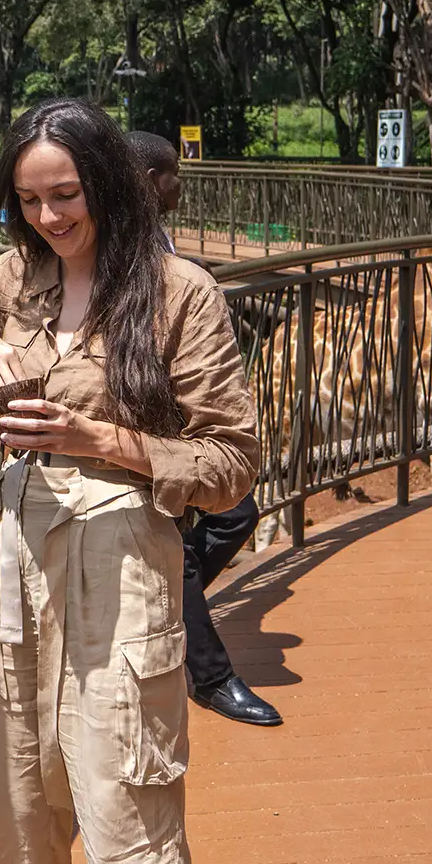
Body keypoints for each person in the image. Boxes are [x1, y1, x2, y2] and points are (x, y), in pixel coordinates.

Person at [0, 99, 258, 864]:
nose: (48, 216)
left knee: (126, 814)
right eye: (28, 201)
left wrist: (95, 437)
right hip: (9, 575)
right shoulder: (9, 277)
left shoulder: (179, 291)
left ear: (104, 179)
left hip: (120, 572)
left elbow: (232, 461)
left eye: (64, 193)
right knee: (18, 814)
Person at [126, 130, 282, 727]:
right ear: (148, 182)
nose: (180, 184)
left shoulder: (157, 240)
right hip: (143, 425)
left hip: (183, 420)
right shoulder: (123, 241)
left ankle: (160, 602)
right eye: (172, 173)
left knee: (234, 513)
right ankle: (210, 673)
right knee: (177, 550)